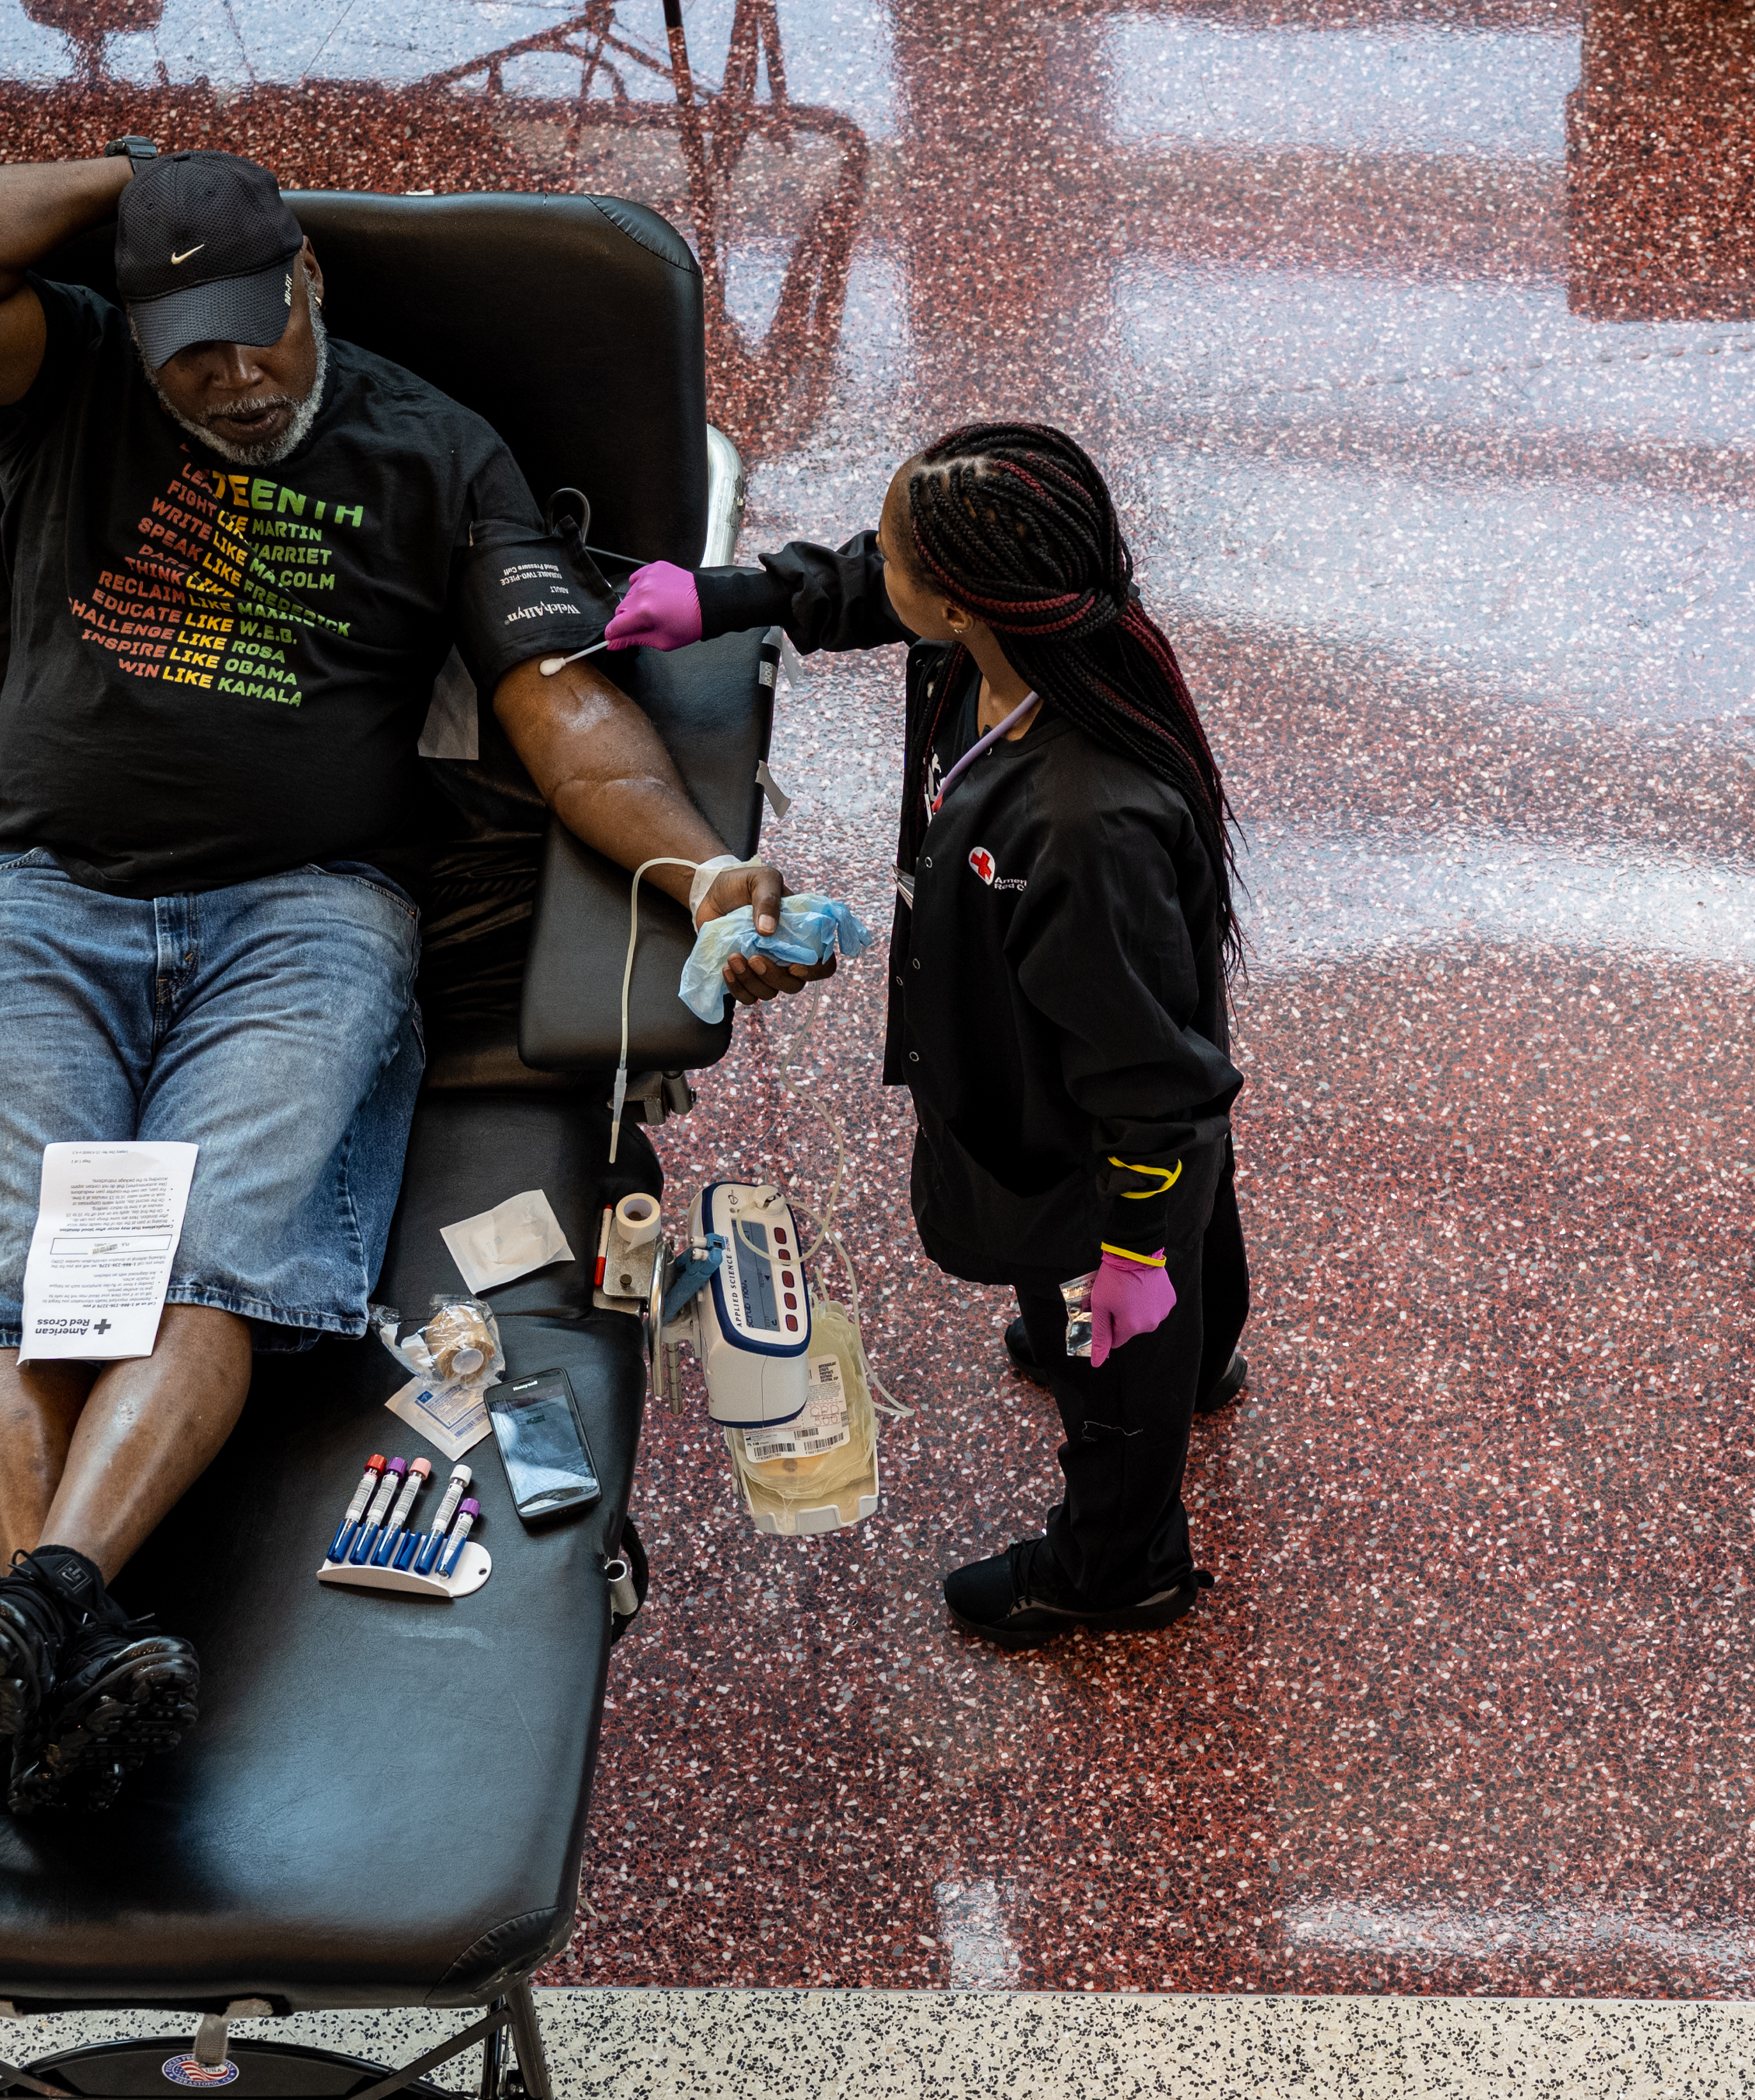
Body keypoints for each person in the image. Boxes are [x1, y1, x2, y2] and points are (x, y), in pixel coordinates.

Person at [0, 144, 825, 1812]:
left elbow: (564, 707)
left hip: (302, 918)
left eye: (258, 330)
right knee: (20, 1282)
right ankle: (47, 1653)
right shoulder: (68, 364)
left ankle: (45, 1601)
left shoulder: (435, 452)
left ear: (312, 282)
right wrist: (130, 182)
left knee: (214, 1267)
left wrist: (694, 866)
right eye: (193, 351)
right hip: (40, 902)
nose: (232, 379)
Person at [604, 421, 1248, 1646]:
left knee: (1121, 1336)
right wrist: (728, 596)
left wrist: (1132, 1254)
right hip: (1055, 1041)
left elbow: (1151, 1088)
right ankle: (1202, 1346)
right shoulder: (1014, 636)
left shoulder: (1080, 819)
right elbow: (865, 584)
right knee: (1175, 1266)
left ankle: (1119, 1566)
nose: (874, 571)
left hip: (1083, 1122)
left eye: (896, 558)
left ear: (958, 599)